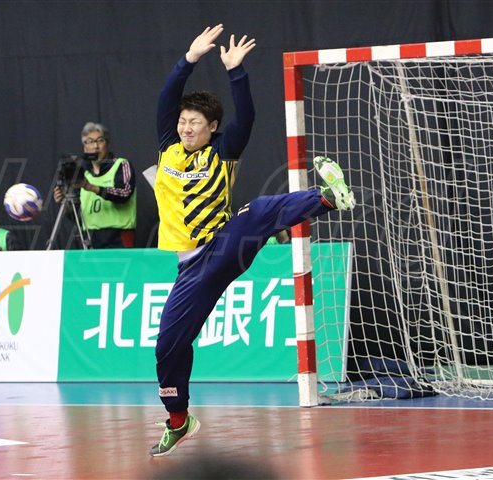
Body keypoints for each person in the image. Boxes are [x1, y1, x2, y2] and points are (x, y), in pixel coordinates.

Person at [150, 24, 355, 457]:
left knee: (258, 210)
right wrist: (189, 59)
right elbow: (168, 97)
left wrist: (235, 72)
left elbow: (246, 118)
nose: (186, 128)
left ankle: (327, 198)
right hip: (192, 268)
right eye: (183, 121)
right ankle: (178, 419)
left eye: (195, 123)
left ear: (212, 127)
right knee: (168, 345)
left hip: (225, 241)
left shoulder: (222, 152)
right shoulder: (168, 148)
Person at [53, 122, 136, 248]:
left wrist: (92, 187)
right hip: (90, 238)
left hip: (118, 237)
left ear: (107, 144)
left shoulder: (121, 165)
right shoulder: (82, 174)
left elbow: (124, 193)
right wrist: (66, 203)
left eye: (100, 141)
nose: (95, 146)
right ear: (84, 147)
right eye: (90, 142)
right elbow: (79, 218)